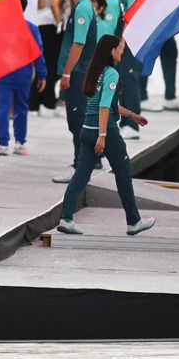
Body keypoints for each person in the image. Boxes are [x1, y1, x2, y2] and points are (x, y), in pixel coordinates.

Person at [56, 34, 155, 236]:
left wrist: (132, 116)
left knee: (81, 175)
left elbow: (109, 104)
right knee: (123, 174)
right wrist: (103, 135)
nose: (121, 51)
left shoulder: (94, 72)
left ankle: (66, 218)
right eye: (119, 48)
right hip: (106, 133)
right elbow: (103, 108)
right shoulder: (111, 74)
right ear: (111, 51)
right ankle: (133, 222)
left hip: (87, 131)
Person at [53, 0, 98, 183]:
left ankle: (80, 167)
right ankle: (81, 164)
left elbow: (78, 44)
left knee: (77, 121)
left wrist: (67, 73)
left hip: (79, 72)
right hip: (80, 71)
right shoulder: (81, 6)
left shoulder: (82, 9)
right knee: (77, 121)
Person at [0, 0, 47, 156]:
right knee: (21, 108)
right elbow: (38, 52)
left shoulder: (0, 27)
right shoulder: (31, 28)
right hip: (22, 75)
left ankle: (3, 144)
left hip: (3, 73)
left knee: (3, 109)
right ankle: (19, 142)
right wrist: (42, 74)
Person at [112, 0, 153, 120]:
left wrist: (123, 42)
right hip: (123, 39)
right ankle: (125, 123)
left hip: (130, 40)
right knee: (123, 80)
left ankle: (133, 124)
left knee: (129, 80)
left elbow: (132, 15)